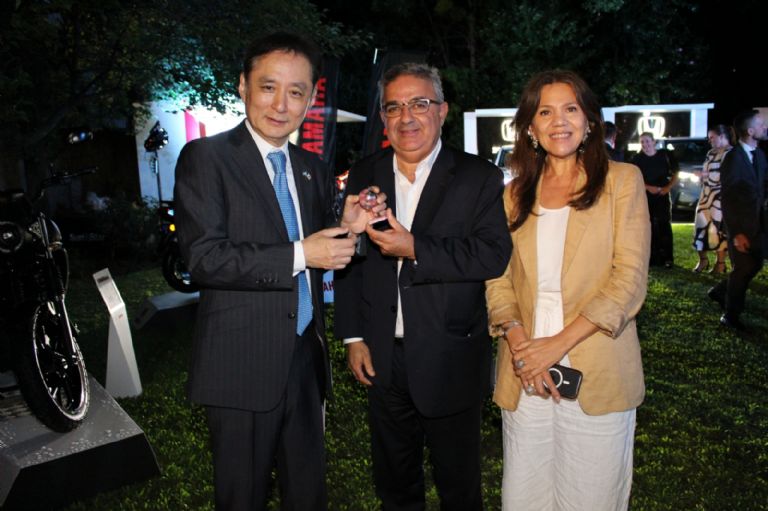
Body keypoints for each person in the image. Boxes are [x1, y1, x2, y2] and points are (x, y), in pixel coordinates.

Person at [174, 32, 382, 510]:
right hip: (240, 364)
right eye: (268, 87)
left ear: (310, 100)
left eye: (296, 92)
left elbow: (324, 245)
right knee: (242, 497)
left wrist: (350, 227)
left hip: (305, 359)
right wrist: (301, 254)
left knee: (307, 493)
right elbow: (204, 258)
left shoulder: (311, 166)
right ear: (243, 86)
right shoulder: (206, 158)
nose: (281, 104)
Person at [334, 62, 511, 510]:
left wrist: (415, 247)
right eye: (394, 107)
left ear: (442, 111)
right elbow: (351, 261)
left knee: (459, 487)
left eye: (419, 103)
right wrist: (353, 336)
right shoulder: (364, 173)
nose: (406, 117)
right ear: (383, 117)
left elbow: (492, 255)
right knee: (395, 485)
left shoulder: (477, 177)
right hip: (382, 355)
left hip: (450, 352)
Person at [485, 70, 650, 510]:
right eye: (545, 112)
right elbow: (498, 278)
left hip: (596, 366)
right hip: (524, 370)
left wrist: (554, 347)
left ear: (590, 121)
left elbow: (629, 280)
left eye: (570, 109)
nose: (559, 121)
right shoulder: (513, 195)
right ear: (530, 128)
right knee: (523, 498)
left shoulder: (622, 181)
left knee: (590, 499)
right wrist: (521, 343)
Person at [708, 110, 767, 331]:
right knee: (744, 268)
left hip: (758, 223)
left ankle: (720, 291)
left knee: (754, 264)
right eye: (761, 124)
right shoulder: (733, 159)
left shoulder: (759, 155)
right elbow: (729, 198)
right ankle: (730, 316)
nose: (765, 127)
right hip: (740, 226)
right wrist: (737, 233)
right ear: (750, 131)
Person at [632, 132, 679, 267]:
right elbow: (634, 178)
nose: (645, 144)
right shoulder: (637, 159)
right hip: (645, 196)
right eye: (642, 142)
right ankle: (652, 257)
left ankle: (667, 258)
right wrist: (648, 187)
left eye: (647, 141)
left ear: (654, 142)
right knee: (648, 225)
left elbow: (676, 173)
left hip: (662, 195)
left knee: (664, 224)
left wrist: (667, 188)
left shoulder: (665, 155)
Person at [692, 124, 733, 273]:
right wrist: (702, 177)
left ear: (722, 136)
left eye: (712, 137)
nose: (710, 141)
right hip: (706, 194)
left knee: (717, 229)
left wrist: (706, 175)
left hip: (720, 196)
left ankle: (720, 263)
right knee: (700, 225)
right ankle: (703, 260)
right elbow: (706, 171)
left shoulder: (731, 153)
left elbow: (728, 175)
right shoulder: (710, 153)